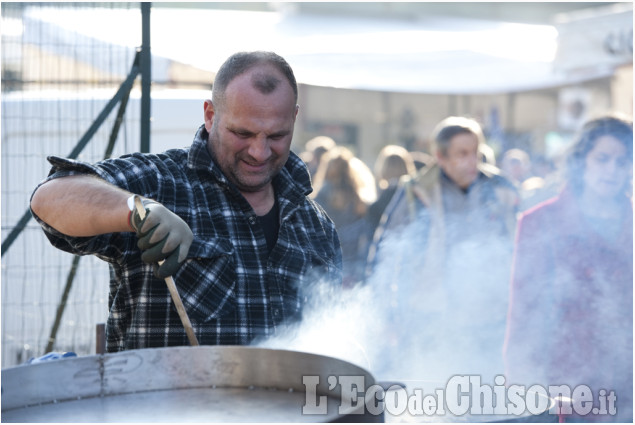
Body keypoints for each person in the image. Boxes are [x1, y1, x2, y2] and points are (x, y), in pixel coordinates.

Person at [30, 51, 343, 353]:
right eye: (242, 133)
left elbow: (334, 338)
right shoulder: (161, 182)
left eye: (276, 135)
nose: (259, 152)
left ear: (295, 118)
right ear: (210, 115)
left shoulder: (316, 227)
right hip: (163, 405)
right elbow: (50, 197)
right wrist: (138, 210)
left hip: (288, 407)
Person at [367, 116, 518, 381]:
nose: (472, 161)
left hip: (488, 318)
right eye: (462, 154)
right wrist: (387, 313)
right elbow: (387, 253)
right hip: (432, 317)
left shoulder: (499, 190)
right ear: (440, 156)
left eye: (475, 153)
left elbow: (517, 248)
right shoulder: (416, 193)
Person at [504, 115, 633, 422]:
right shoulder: (540, 223)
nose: (612, 170)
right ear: (581, 161)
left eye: (622, 160)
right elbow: (524, 313)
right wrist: (521, 387)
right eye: (602, 158)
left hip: (628, 384)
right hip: (563, 386)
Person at [311, 146, 373, 287]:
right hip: (353, 270)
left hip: (325, 270)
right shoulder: (359, 200)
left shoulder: (317, 200)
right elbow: (366, 238)